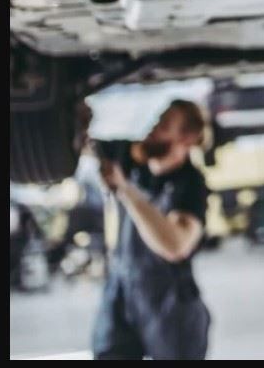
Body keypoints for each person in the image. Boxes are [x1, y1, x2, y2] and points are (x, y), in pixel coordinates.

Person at [92, 99, 212, 360]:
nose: (153, 129)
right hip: (122, 289)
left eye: (165, 126)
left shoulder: (190, 184)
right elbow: (82, 146)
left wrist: (126, 191)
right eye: (158, 121)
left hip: (170, 301)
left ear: (187, 139)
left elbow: (176, 246)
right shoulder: (131, 159)